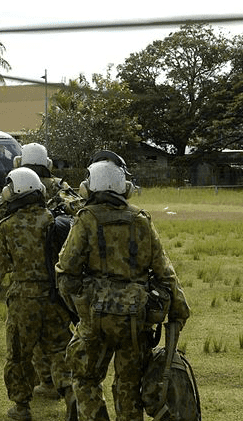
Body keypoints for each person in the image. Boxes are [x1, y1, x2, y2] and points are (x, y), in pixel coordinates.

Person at [55, 151, 190, 421]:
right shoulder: (141, 219)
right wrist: (179, 309)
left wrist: (82, 307)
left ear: (89, 186)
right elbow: (164, 271)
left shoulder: (85, 218)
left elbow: (66, 271)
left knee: (85, 380)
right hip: (135, 321)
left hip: (95, 320)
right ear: (123, 186)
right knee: (128, 388)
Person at [0, 142, 83, 399]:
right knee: (59, 341)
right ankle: (65, 389)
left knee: (21, 348)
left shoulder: (11, 196)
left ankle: (29, 396)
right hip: (55, 284)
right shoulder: (60, 193)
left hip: (23, 291)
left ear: (18, 163)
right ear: (47, 164)